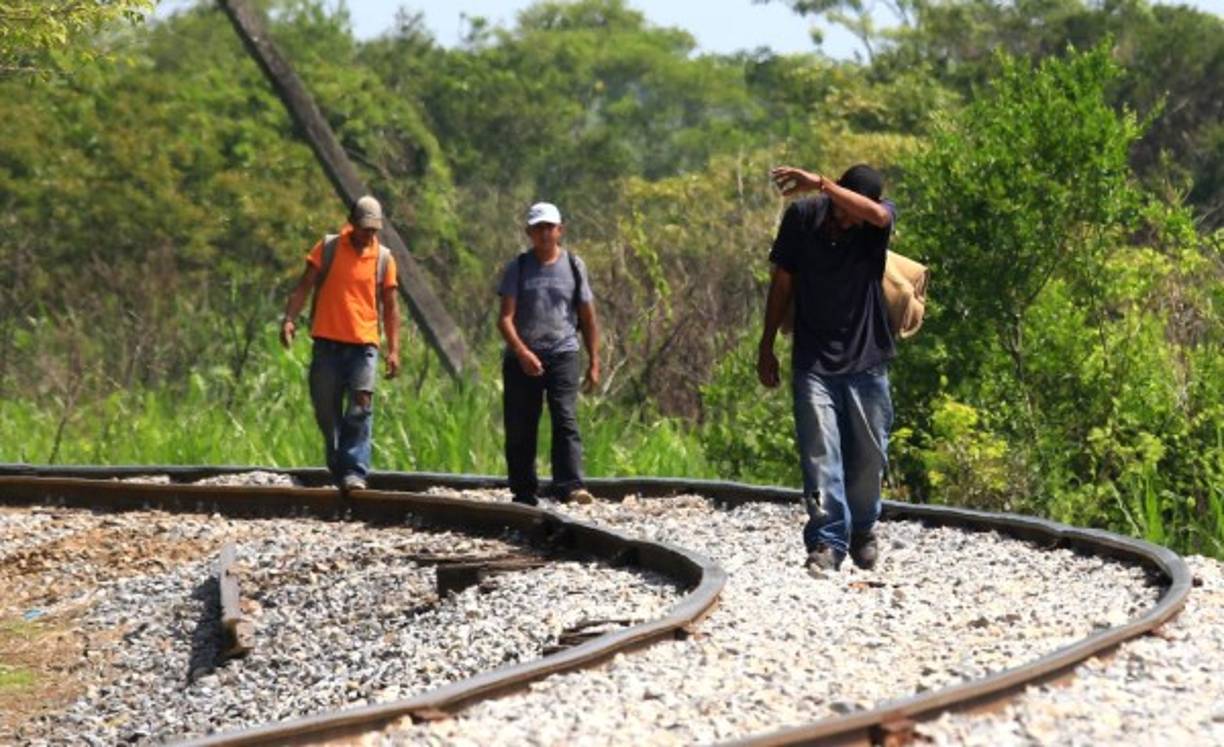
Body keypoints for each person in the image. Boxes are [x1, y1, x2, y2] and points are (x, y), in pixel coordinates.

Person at [758, 164, 896, 574]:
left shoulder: (875, 222)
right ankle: (827, 541)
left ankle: (862, 530)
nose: (850, 220)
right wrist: (766, 345)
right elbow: (782, 282)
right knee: (820, 454)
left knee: (869, 456)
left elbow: (878, 215)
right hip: (814, 359)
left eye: (856, 212)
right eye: (844, 210)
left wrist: (821, 183)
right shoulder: (803, 218)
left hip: (867, 359)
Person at [279, 195, 400, 492]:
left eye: (373, 230)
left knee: (361, 405)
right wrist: (290, 319)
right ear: (351, 223)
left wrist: (394, 350)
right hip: (327, 343)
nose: (368, 235)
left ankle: (354, 471)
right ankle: (338, 463)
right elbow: (304, 285)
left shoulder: (384, 259)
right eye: (364, 228)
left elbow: (390, 306)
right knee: (326, 410)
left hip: (364, 345)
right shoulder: (329, 247)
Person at [497, 202, 600, 506]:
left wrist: (594, 361)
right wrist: (522, 352)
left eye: (549, 227)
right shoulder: (518, 267)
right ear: (529, 232)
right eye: (538, 228)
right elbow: (505, 318)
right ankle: (523, 490)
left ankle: (570, 485)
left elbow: (588, 317)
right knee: (521, 424)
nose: (544, 233)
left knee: (565, 418)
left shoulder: (574, 266)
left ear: (560, 230)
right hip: (523, 357)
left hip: (563, 352)